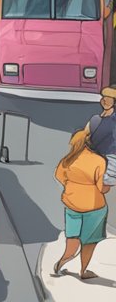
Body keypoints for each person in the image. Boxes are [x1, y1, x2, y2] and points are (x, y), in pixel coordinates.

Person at [52, 128, 110, 281]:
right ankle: (83, 271)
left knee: (72, 238)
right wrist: (108, 186)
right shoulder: (99, 161)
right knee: (89, 241)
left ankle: (64, 259)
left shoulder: (68, 159)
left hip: (72, 204)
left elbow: (59, 176)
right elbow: (101, 187)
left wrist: (73, 187)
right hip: (94, 207)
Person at [87, 86, 116, 189]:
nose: (105, 100)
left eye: (109, 98)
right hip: (95, 156)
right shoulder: (95, 119)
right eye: (104, 97)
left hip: (110, 157)